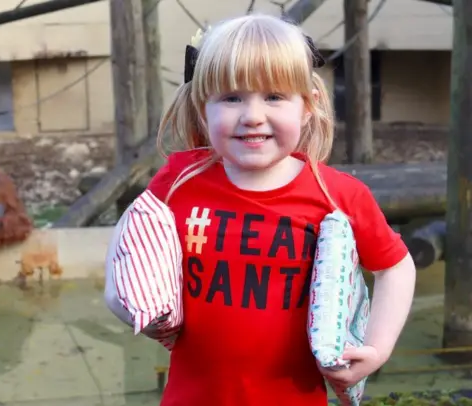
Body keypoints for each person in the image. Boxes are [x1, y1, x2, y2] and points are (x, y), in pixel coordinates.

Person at [107, 13, 416, 406]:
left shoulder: (338, 195)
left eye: (274, 96)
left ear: (308, 105)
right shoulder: (178, 180)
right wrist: (120, 299)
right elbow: (129, 242)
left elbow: (395, 265)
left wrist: (378, 347)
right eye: (232, 97)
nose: (252, 115)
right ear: (204, 107)